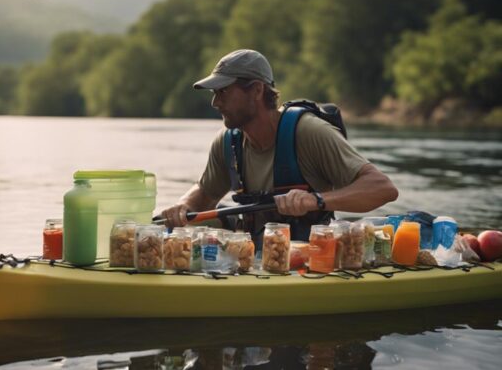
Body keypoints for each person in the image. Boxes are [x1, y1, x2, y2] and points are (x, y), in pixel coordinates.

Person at [161, 49, 398, 242]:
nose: (215, 102)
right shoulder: (226, 142)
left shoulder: (309, 132)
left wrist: (316, 200)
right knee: (179, 227)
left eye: (223, 91)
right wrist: (182, 206)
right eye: (214, 93)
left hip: (310, 254)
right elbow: (204, 193)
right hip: (254, 252)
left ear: (256, 90)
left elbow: (383, 188)